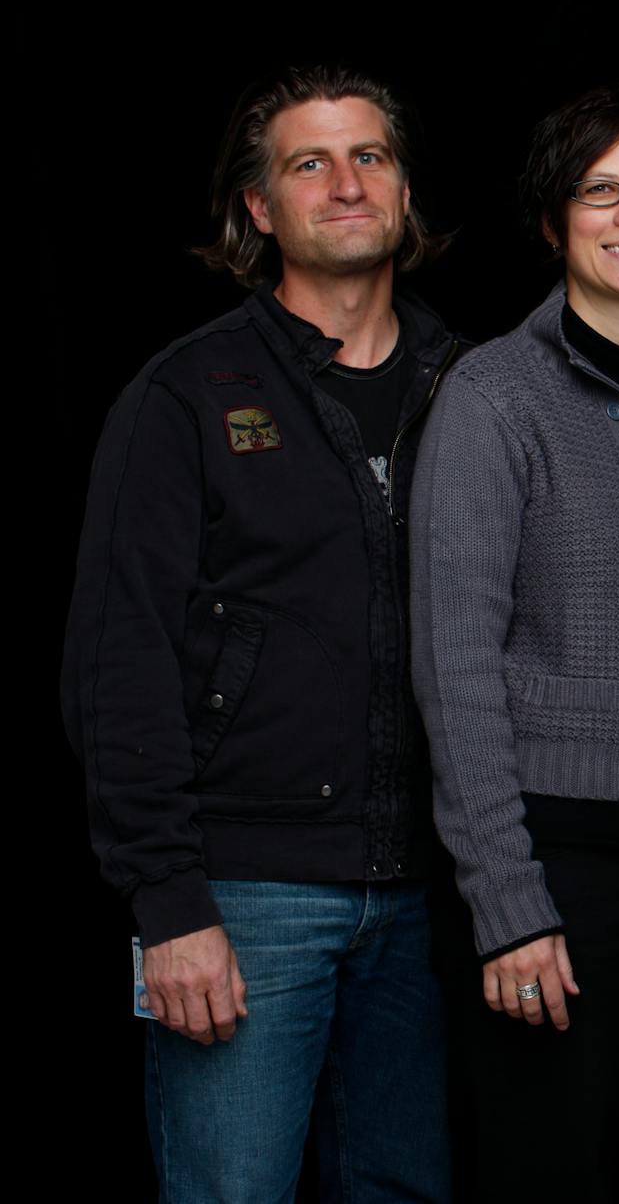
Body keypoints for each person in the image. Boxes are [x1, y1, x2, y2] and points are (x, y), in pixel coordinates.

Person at [63, 65, 457, 1202]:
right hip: (244, 897)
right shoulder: (187, 395)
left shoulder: (469, 386)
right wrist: (169, 905)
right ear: (259, 208)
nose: (346, 184)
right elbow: (116, 661)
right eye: (309, 163)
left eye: (369, 156)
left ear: (404, 190)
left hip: (425, 902)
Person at [408, 80, 619, 1200]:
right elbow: (455, 671)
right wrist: (508, 907)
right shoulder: (493, 398)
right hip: (557, 873)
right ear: (555, 223)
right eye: (601, 192)